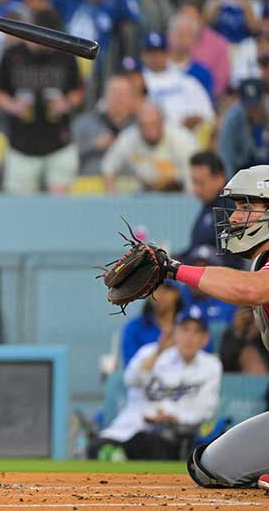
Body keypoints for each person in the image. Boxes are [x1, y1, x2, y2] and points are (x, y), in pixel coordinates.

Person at [127, 164, 269, 490]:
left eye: (247, 207)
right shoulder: (260, 263)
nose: (234, 217)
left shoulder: (258, 276)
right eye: (236, 207)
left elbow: (252, 289)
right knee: (208, 467)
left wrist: (173, 269)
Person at [97, 307, 221, 460]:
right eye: (185, 329)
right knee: (97, 448)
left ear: (205, 339)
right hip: (129, 428)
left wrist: (172, 417)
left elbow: (205, 410)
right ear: (175, 332)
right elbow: (131, 380)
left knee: (151, 444)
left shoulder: (211, 365)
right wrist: (159, 351)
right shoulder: (150, 352)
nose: (189, 337)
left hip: (169, 435)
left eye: (197, 332)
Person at [0, 9, 84, 194]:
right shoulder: (12, 55)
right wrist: (13, 106)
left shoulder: (65, 54)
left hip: (59, 143)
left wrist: (66, 104)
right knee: (19, 207)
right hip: (21, 144)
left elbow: (78, 90)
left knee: (61, 206)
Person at [101, 101, 197, 193]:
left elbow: (193, 176)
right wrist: (112, 198)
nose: (149, 130)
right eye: (144, 125)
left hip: (179, 193)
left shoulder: (182, 140)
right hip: (144, 194)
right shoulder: (129, 138)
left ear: (162, 122)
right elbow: (108, 166)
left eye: (153, 124)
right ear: (138, 125)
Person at [121, 282, 182, 367]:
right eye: (155, 288)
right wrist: (160, 350)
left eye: (167, 288)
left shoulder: (191, 327)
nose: (161, 294)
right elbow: (131, 372)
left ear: (177, 293)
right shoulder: (134, 328)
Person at [218, 79, 269, 176]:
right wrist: (230, 188)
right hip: (246, 173)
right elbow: (226, 157)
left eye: (256, 105)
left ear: (264, 98)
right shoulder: (232, 120)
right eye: (249, 106)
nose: (253, 110)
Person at [187, 152, 233, 254]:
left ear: (220, 179)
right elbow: (194, 249)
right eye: (194, 182)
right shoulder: (209, 206)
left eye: (201, 183)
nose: (196, 189)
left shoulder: (231, 209)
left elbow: (230, 258)